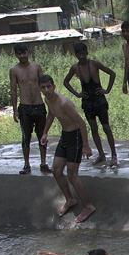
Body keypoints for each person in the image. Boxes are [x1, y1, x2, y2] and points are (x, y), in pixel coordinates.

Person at [39, 74, 96, 224]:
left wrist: (86, 146)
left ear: (54, 86)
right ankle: (70, 199)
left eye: (49, 86)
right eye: (43, 88)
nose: (46, 90)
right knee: (56, 170)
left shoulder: (64, 103)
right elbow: (51, 115)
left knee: (72, 174)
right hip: (65, 136)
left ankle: (88, 206)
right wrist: (45, 132)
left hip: (76, 137)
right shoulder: (47, 99)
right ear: (40, 89)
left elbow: (82, 123)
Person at [64, 41, 118, 167]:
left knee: (106, 127)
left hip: (99, 100)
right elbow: (66, 82)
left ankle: (114, 155)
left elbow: (112, 73)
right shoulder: (75, 68)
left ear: (87, 52)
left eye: (83, 52)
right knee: (94, 129)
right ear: (76, 55)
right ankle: (101, 154)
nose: (81, 55)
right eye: (79, 53)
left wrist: (107, 90)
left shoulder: (94, 64)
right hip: (88, 102)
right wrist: (77, 94)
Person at [10, 44, 51, 175]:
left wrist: (50, 102)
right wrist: (14, 110)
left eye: (24, 53)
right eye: (19, 54)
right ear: (16, 55)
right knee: (25, 137)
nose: (22, 56)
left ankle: (43, 163)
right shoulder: (14, 70)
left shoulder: (36, 67)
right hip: (25, 107)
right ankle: (26, 164)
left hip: (39, 106)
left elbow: (44, 85)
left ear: (28, 52)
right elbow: (13, 90)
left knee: (42, 136)